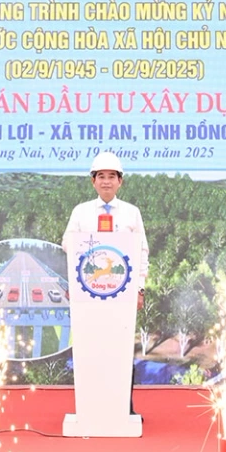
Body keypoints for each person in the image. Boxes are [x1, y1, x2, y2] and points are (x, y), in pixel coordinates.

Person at [64, 152, 149, 415]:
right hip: (88, 294)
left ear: (120, 181)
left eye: (112, 176)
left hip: (122, 294)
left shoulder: (132, 213)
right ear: (93, 181)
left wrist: (139, 288)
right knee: (91, 348)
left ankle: (123, 408)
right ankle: (91, 408)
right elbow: (68, 245)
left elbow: (142, 251)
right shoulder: (81, 212)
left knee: (120, 350)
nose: (106, 181)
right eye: (101, 176)